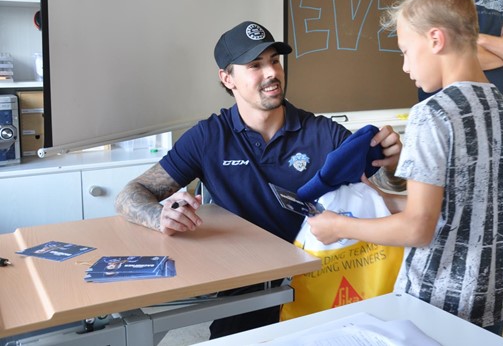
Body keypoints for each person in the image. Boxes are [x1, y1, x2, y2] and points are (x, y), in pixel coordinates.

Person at [114, 20, 403, 339]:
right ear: (227, 78)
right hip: (244, 296)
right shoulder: (208, 137)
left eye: (274, 61)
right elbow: (131, 193)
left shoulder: (323, 133)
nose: (271, 73)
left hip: (319, 285)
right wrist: (160, 216)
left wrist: (390, 162)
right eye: (255, 65)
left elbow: (378, 196)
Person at [307, 0, 503, 335]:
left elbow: (419, 228)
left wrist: (338, 226)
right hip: (490, 298)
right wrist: (385, 199)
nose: (405, 67)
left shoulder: (432, 113)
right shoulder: (499, 105)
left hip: (435, 302)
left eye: (406, 50)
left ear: (435, 39)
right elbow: (458, 206)